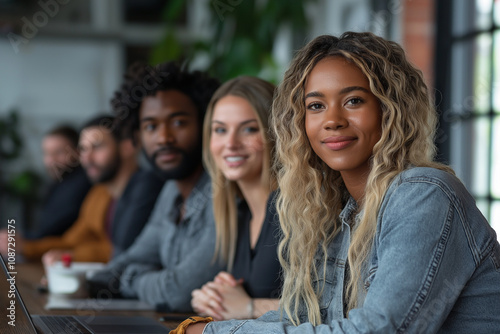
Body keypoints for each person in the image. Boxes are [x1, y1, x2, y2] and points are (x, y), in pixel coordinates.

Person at [178, 32, 500, 334]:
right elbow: (305, 318)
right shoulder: (336, 212)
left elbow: (380, 330)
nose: (333, 120)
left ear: (390, 110)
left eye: (354, 101)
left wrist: (213, 331)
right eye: (316, 106)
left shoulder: (424, 194)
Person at [87, 62, 224, 312]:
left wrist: (130, 280)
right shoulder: (171, 191)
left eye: (179, 123)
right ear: (137, 136)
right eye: (151, 126)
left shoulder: (224, 193)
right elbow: (132, 258)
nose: (164, 138)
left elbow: (179, 292)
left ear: (205, 125)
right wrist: (81, 282)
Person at [0, 115, 164, 263]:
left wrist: (71, 257)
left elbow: (119, 251)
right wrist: (24, 246)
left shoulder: (147, 187)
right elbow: (70, 241)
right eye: (84, 149)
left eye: (98, 147)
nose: (87, 157)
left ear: (128, 147)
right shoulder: (99, 193)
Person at [190, 77, 282, 321]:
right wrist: (213, 297)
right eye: (220, 130)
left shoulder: (299, 208)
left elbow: (331, 308)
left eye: (249, 129)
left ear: (275, 133)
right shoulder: (239, 213)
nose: (230, 143)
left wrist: (250, 307)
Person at [25, 125, 91, 239]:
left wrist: (19, 241)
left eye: (59, 152)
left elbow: (49, 233)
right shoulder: (61, 181)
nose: (51, 160)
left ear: (77, 152)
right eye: (46, 153)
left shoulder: (79, 184)